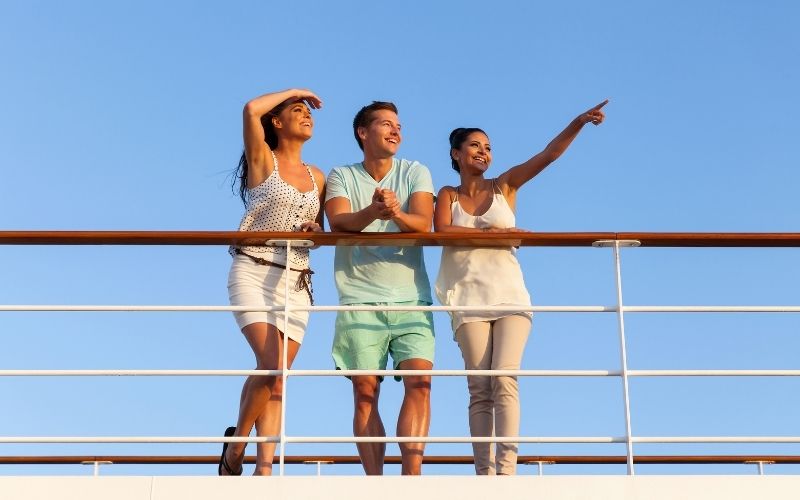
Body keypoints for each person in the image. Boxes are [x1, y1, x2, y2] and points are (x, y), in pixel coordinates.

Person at [434, 100, 608, 475]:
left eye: (488, 147)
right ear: (456, 153)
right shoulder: (447, 194)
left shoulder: (505, 185)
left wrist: (577, 122)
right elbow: (443, 232)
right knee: (479, 388)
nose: (484, 152)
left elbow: (549, 155)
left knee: (505, 378)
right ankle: (485, 473)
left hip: (510, 296)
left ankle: (507, 470)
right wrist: (497, 234)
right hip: (467, 297)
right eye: (475, 146)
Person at [325, 101, 435, 475]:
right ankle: (375, 483)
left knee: (420, 384)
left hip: (412, 299)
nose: (396, 131)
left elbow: (423, 224)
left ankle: (411, 478)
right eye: (387, 124)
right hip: (359, 298)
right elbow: (338, 221)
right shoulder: (341, 175)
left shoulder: (416, 171)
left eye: (399, 125)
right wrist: (373, 211)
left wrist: (395, 213)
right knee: (365, 394)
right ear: (363, 132)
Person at [219, 88, 326, 476]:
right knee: (270, 363)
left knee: (278, 375)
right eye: (297, 111)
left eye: (307, 112)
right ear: (277, 123)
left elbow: (321, 233)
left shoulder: (318, 176)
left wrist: (316, 230)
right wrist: (296, 90)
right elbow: (250, 109)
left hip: (297, 281)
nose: (306, 115)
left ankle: (263, 468)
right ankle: (238, 446)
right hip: (254, 269)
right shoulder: (264, 160)